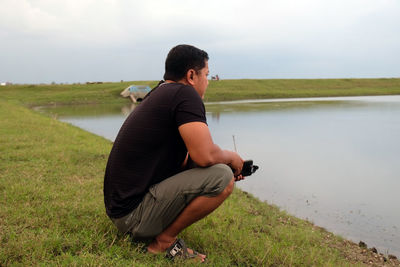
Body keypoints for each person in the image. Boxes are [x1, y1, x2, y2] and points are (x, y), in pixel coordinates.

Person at [103, 44, 244, 262]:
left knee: (221, 170)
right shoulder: (185, 94)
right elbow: (205, 155)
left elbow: (187, 162)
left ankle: (159, 234)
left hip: (121, 213)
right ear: (191, 75)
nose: (207, 82)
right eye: (206, 75)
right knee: (223, 179)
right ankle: (164, 242)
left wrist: (222, 163)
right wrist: (232, 158)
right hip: (133, 217)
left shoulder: (160, 92)